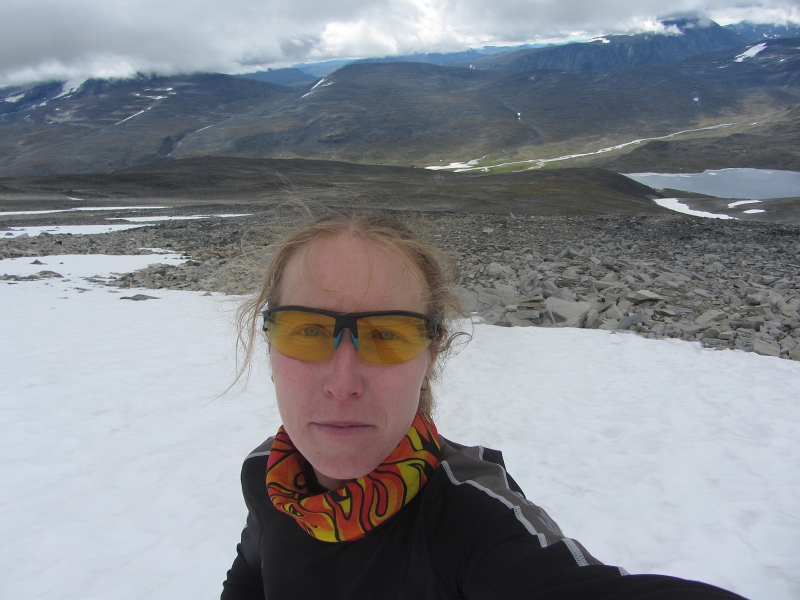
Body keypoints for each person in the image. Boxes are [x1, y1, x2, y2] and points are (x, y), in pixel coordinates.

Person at [222, 213, 743, 600]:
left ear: (431, 355)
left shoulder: (474, 522)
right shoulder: (268, 476)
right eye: (307, 331)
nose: (343, 383)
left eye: (388, 336)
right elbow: (251, 574)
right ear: (269, 344)